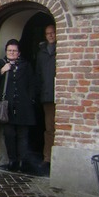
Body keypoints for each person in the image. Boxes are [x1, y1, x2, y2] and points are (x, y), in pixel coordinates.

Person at [0, 39, 36, 172]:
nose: (12, 53)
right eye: (9, 50)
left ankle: (22, 161)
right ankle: (12, 160)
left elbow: (32, 83)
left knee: (23, 135)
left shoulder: (26, 65)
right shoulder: (1, 63)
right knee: (9, 134)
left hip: (23, 106)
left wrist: (31, 99)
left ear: (19, 53)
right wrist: (2, 71)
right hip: (7, 106)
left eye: (14, 51)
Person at [35, 24, 56, 169]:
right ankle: (48, 158)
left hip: (62, 96)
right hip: (47, 95)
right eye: (48, 33)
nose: (51, 35)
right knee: (49, 128)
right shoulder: (41, 53)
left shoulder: (63, 48)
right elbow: (38, 74)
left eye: (53, 33)